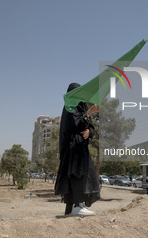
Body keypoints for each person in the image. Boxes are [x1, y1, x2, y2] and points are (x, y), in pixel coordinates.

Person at [54, 83, 100, 216]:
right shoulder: (69, 106)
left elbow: (91, 127)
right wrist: (89, 113)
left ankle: (75, 208)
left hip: (81, 148)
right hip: (72, 148)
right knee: (76, 175)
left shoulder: (82, 106)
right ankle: (76, 206)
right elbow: (74, 124)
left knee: (85, 174)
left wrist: (88, 132)